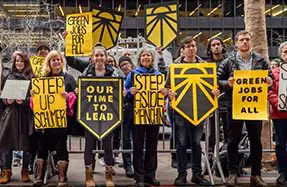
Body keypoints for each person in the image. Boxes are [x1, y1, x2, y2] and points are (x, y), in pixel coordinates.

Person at [217, 30, 272, 187]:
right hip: (234, 106)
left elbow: (271, 79)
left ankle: (256, 175)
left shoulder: (261, 61)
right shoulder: (228, 62)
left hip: (255, 107)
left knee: (256, 142)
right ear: (236, 43)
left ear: (251, 42)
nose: (245, 42)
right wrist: (227, 83)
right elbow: (216, 80)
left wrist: (269, 81)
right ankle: (232, 174)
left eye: (247, 39)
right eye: (242, 40)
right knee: (232, 141)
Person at [166, 36, 211, 186]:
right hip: (180, 110)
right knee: (181, 143)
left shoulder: (204, 66)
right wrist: (169, 93)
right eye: (188, 46)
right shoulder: (174, 67)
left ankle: (196, 174)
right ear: (182, 50)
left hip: (199, 110)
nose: (191, 48)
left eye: (193, 46)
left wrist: (214, 92)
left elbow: (210, 87)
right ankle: (181, 174)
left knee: (197, 143)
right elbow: (167, 87)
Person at [33, 50, 77, 186]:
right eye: (53, 60)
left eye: (58, 59)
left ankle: (62, 177)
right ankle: (39, 174)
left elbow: (76, 97)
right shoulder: (43, 79)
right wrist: (33, 94)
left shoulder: (69, 78)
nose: (56, 62)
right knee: (42, 145)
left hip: (62, 120)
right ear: (49, 63)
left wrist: (68, 96)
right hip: (45, 120)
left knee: (61, 146)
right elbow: (36, 102)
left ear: (61, 61)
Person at [125, 48, 167, 187]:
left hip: (153, 115)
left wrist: (164, 92)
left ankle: (151, 175)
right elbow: (125, 93)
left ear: (152, 58)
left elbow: (164, 93)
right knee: (138, 146)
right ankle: (139, 177)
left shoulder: (158, 75)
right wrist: (130, 92)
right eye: (143, 55)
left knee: (152, 146)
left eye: (148, 55)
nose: (145, 57)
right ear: (139, 58)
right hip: (138, 115)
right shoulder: (133, 74)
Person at [83, 45, 120, 187]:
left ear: (105, 57)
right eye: (96, 55)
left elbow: (119, 90)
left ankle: (109, 176)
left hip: (108, 115)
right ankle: (88, 176)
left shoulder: (114, 73)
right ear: (92, 58)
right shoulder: (87, 73)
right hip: (90, 115)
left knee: (108, 146)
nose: (99, 58)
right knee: (89, 146)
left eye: (101, 55)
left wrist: (122, 92)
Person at [0, 52, 34, 184]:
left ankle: (25, 171)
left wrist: (24, 101)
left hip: (25, 114)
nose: (19, 63)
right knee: (7, 143)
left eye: (21, 61)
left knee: (26, 144)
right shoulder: (9, 77)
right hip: (11, 114)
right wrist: (7, 101)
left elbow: (34, 99)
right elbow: (3, 97)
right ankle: (6, 170)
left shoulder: (31, 78)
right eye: (17, 61)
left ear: (26, 63)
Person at [206, 37, 229, 166]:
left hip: (227, 103)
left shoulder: (229, 61)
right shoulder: (206, 64)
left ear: (222, 46)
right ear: (210, 48)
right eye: (213, 45)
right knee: (211, 136)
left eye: (218, 44)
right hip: (211, 104)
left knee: (228, 135)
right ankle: (209, 164)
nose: (216, 47)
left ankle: (225, 163)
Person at [268, 41, 287, 185]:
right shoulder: (274, 72)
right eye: (285, 52)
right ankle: (282, 172)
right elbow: (269, 91)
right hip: (279, 114)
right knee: (280, 144)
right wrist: (279, 104)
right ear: (281, 54)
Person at [118, 56, 134, 178]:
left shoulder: (137, 74)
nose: (124, 66)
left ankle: (138, 163)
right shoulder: (120, 78)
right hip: (126, 110)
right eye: (122, 65)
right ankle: (128, 165)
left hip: (138, 110)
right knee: (126, 139)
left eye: (126, 63)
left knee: (138, 139)